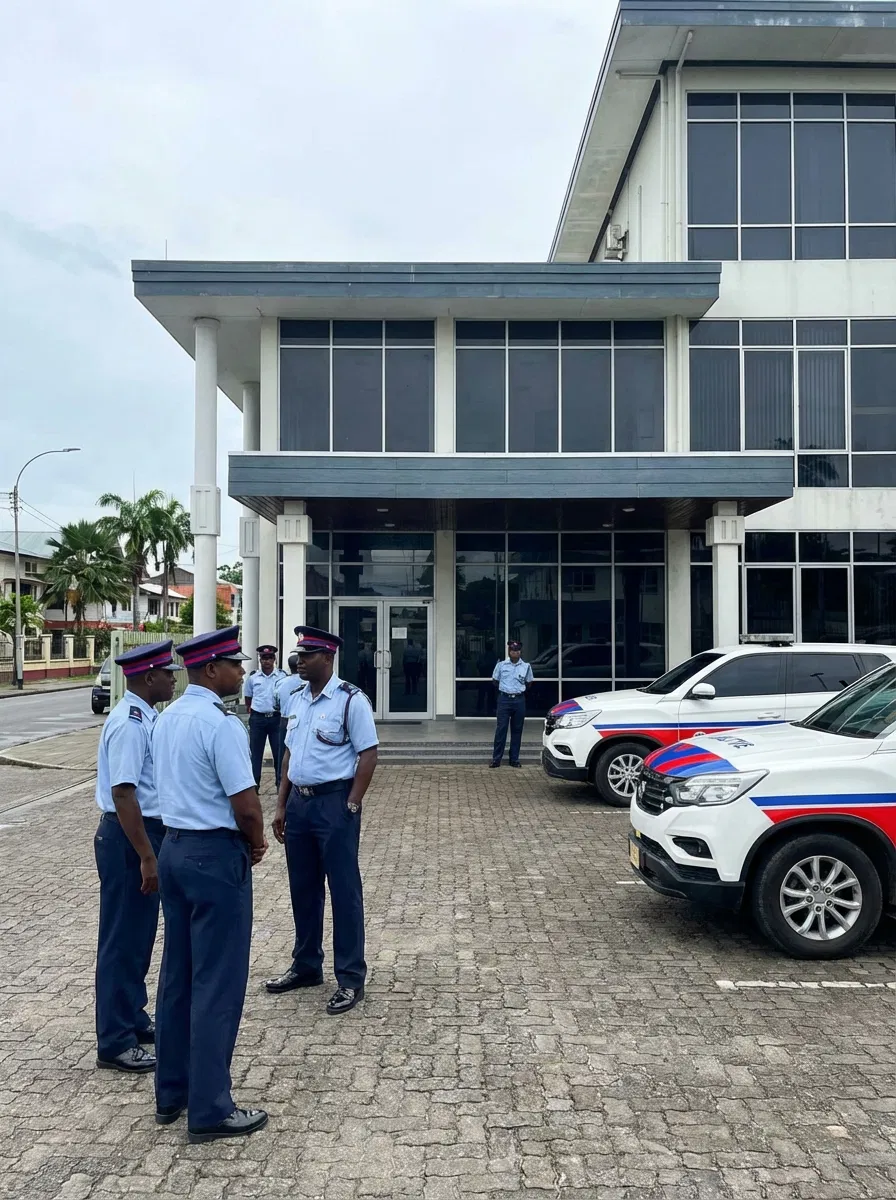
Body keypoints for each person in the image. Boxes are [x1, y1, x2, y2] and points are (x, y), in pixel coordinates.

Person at [151, 626, 269, 1144]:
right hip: (213, 856)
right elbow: (245, 802)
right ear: (211, 670)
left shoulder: (166, 717)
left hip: (173, 849)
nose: (242, 673)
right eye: (235, 665)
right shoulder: (221, 725)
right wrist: (258, 842)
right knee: (217, 983)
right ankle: (210, 1108)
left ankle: (171, 1092)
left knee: (178, 975)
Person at [266, 625, 378, 1015]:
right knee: (303, 888)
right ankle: (306, 965)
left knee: (344, 892)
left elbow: (368, 754)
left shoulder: (351, 701)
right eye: (299, 654)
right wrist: (281, 806)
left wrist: (352, 802)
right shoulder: (296, 700)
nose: (299, 660)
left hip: (334, 804)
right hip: (299, 804)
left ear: (328, 658)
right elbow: (288, 756)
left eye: (309, 654)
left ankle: (350, 978)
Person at [94, 639, 180, 1074]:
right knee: (121, 941)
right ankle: (114, 1041)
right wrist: (147, 856)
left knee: (139, 936)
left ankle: (131, 1016)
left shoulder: (146, 717)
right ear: (149, 678)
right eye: (167, 672)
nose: (172, 677)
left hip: (143, 835)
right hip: (130, 838)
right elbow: (123, 793)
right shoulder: (129, 723)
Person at [244, 645, 286, 790]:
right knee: (255, 754)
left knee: (278, 753)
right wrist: (254, 713)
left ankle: (280, 785)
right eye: (263, 658)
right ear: (260, 659)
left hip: (276, 719)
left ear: (274, 659)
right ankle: (254, 786)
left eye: (269, 658)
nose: (266, 661)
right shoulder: (253, 678)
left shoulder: (282, 676)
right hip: (258, 719)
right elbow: (248, 698)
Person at [490, 640, 533, 769]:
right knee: (501, 729)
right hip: (504, 700)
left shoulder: (526, 666)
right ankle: (496, 759)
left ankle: (514, 759)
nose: (515, 652)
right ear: (509, 651)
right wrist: (506, 690)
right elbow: (495, 680)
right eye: (513, 650)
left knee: (517, 730)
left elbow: (529, 682)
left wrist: (517, 690)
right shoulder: (501, 665)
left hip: (519, 700)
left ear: (520, 652)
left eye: (517, 650)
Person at [274, 651, 305, 778]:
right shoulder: (307, 683)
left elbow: (275, 703)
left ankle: (281, 782)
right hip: (302, 719)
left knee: (283, 753)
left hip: (285, 720)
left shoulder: (280, 682)